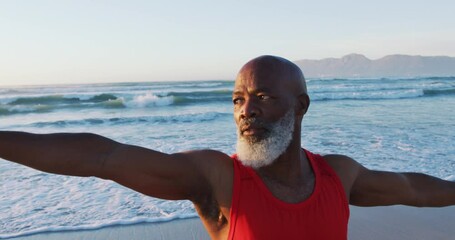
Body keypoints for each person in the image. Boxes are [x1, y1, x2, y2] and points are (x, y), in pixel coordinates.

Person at [0, 55, 454, 240]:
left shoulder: (339, 174)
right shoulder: (219, 178)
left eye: (263, 97)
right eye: (238, 99)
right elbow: (103, 156)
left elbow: (412, 188)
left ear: (300, 106)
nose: (246, 110)